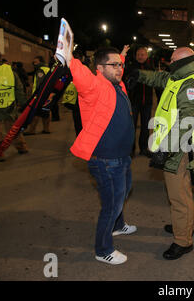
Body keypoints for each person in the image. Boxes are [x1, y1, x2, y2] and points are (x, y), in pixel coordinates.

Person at [128, 47, 194, 260]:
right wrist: (138, 73)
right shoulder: (180, 77)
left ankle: (183, 241)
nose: (169, 64)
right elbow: (159, 78)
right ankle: (182, 226)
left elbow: (185, 124)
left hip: (180, 150)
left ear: (184, 62)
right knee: (181, 192)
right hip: (176, 147)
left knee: (179, 196)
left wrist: (164, 150)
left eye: (173, 60)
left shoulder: (193, 86)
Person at [66, 45, 137, 265]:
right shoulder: (95, 86)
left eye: (121, 65)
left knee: (122, 193)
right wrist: (68, 56)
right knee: (112, 205)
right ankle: (103, 249)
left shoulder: (117, 84)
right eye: (114, 65)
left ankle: (118, 226)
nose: (119, 69)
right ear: (99, 68)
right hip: (106, 160)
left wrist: (121, 56)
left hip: (122, 156)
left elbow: (116, 67)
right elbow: (80, 75)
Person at [124, 47, 155, 157]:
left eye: (143, 54)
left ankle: (143, 148)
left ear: (147, 56)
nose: (140, 56)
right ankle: (131, 150)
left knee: (145, 126)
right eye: (138, 54)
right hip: (133, 102)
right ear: (135, 56)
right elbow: (125, 82)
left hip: (147, 102)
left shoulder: (150, 68)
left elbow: (155, 83)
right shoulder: (130, 68)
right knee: (131, 127)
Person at [24, 56, 52, 135]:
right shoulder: (48, 69)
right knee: (46, 110)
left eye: (35, 62)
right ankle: (46, 129)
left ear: (40, 62)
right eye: (33, 62)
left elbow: (40, 83)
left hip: (40, 94)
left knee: (35, 112)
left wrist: (37, 94)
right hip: (48, 93)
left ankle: (31, 130)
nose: (34, 64)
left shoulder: (40, 70)